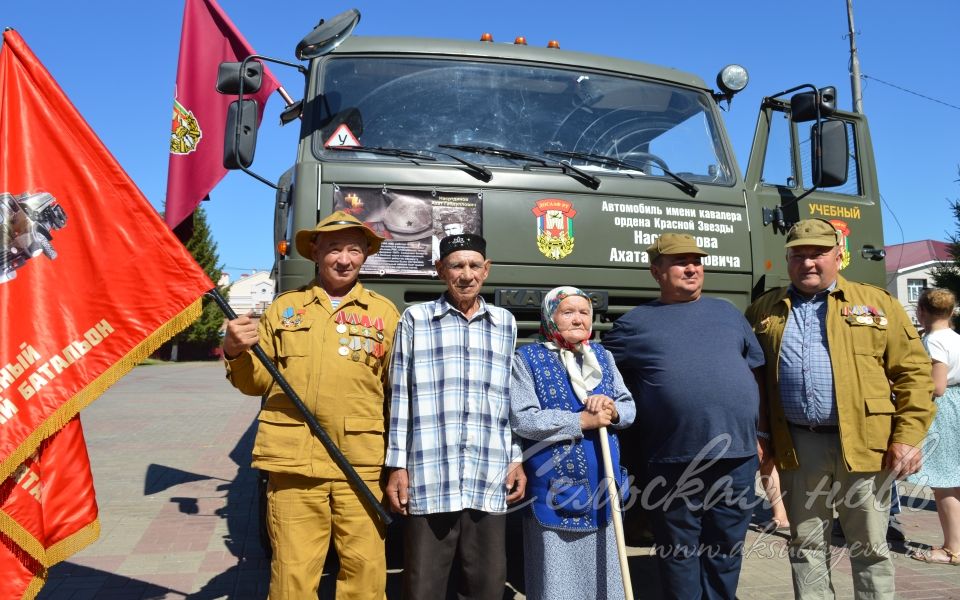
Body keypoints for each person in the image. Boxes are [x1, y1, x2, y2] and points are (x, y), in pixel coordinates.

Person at [745, 218, 935, 599]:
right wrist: (759, 435)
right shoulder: (765, 311)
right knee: (806, 545)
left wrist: (909, 437)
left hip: (868, 447)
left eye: (818, 253)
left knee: (870, 548)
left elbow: (914, 374)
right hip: (799, 446)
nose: (808, 263)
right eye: (799, 254)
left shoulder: (878, 304)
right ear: (787, 259)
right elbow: (752, 380)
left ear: (837, 256)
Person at [222, 211, 400, 599]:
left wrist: (400, 463)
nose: (344, 259)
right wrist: (235, 350)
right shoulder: (285, 309)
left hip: (361, 463)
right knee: (293, 574)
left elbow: (397, 396)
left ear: (366, 256)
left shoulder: (384, 314)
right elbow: (256, 383)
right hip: (293, 463)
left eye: (354, 249)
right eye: (334, 248)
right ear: (316, 253)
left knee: (366, 573)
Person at [603, 233, 765, 600]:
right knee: (679, 551)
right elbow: (596, 367)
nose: (692, 268)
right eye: (680, 262)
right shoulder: (634, 323)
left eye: (697, 260)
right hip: (673, 458)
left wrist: (763, 436)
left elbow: (756, 372)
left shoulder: (727, 312)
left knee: (726, 547)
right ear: (656, 271)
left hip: (737, 456)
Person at [385, 233, 525, 600]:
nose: (466, 275)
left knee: (487, 585)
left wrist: (515, 459)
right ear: (439, 271)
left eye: (474, 265)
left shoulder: (505, 323)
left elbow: (508, 400)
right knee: (423, 586)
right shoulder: (415, 320)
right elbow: (400, 398)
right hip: (430, 475)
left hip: (488, 473)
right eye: (456, 266)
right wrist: (397, 466)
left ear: (487, 270)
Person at [510, 286, 637, 599]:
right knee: (558, 583)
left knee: (606, 579)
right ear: (550, 317)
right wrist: (581, 421)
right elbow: (524, 419)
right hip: (554, 490)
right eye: (568, 312)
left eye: (584, 312)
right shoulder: (527, 359)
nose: (578, 319)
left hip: (602, 490)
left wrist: (613, 409)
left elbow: (629, 407)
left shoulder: (603, 357)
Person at [909, 288, 960, 565]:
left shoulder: (933, 341)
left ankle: (952, 549)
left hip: (944, 411)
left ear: (921, 312)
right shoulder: (955, 337)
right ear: (951, 312)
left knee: (944, 484)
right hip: (958, 404)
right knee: (956, 480)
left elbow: (937, 387)